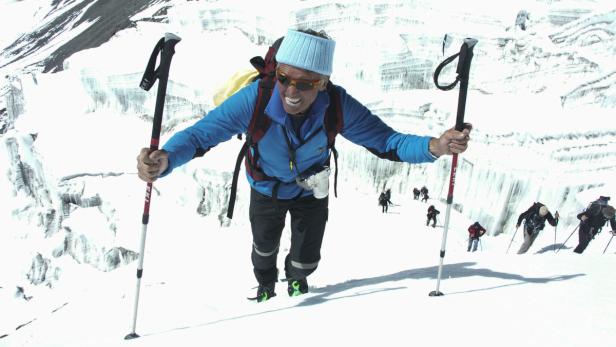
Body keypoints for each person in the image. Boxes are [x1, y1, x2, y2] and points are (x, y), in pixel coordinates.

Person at [136, 29, 472, 302]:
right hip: (265, 188)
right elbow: (199, 137)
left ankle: (297, 281)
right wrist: (164, 159)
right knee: (263, 248)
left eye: (306, 83)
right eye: (284, 79)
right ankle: (266, 284)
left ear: (323, 82)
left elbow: (387, 143)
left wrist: (436, 146)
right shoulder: (256, 99)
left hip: (312, 190)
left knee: (307, 257)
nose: (291, 91)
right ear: (276, 73)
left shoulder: (337, 106)